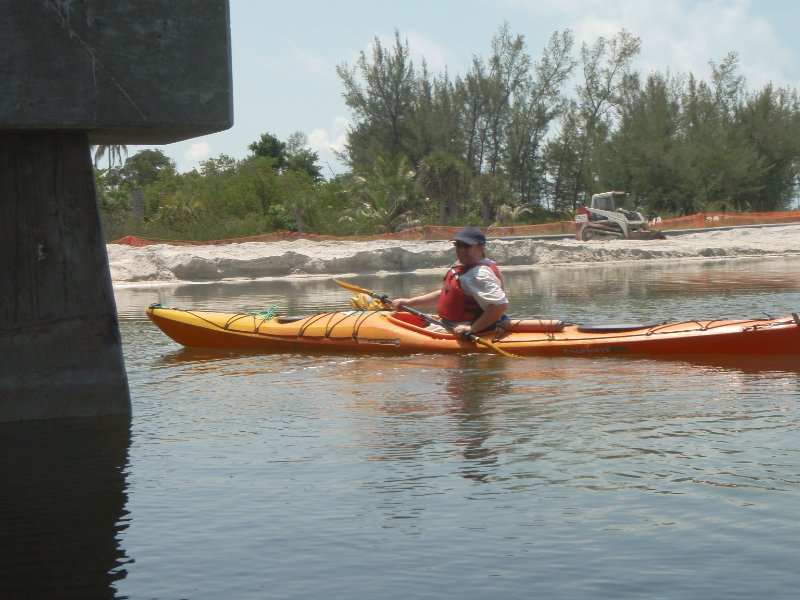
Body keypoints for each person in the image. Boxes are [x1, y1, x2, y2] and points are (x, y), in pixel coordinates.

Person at [390, 226, 508, 336]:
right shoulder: (470, 269)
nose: (461, 250)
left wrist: (472, 328)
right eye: (458, 245)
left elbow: (499, 306)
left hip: (462, 330)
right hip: (451, 325)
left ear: (481, 248)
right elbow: (446, 295)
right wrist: (409, 302)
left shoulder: (479, 274)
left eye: (466, 246)